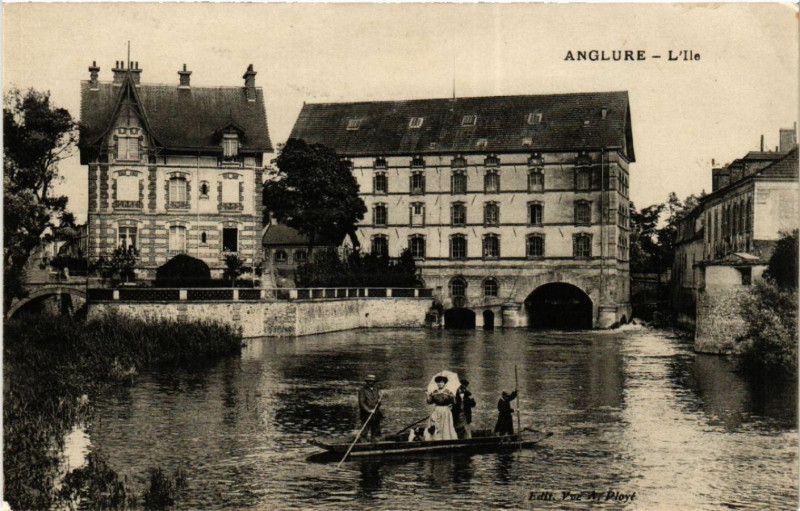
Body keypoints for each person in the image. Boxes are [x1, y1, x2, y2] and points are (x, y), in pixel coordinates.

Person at [425, 376, 458, 441]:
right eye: (438, 382)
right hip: (436, 410)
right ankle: (435, 438)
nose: (439, 384)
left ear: (444, 383)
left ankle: (446, 439)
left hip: (445, 410)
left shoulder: (449, 392)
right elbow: (429, 402)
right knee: (435, 424)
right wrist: (427, 395)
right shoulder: (434, 392)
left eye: (441, 382)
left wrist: (453, 399)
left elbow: (454, 402)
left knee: (445, 425)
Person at [358, 374, 383, 441]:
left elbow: (378, 402)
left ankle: (374, 442)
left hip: (376, 413)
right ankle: (363, 441)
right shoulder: (362, 390)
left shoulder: (376, 389)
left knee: (375, 429)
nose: (371, 383)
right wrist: (368, 410)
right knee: (365, 429)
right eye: (369, 381)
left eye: (372, 381)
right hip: (366, 413)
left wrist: (379, 400)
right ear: (367, 382)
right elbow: (361, 403)